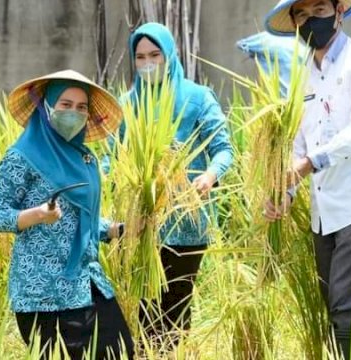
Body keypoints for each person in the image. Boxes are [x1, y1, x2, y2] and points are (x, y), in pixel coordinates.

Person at [263, 0, 351, 358]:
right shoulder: (302, 76)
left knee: (346, 301)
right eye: (302, 14)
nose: (311, 20)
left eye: (319, 9)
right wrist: (287, 190)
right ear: (294, 24)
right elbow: (299, 140)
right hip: (325, 206)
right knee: (335, 302)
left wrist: (307, 165)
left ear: (339, 11)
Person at [0, 70, 134, 360]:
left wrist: (117, 229)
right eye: (65, 104)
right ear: (47, 107)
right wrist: (38, 214)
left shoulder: (85, 159)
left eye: (82, 107)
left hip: (86, 279)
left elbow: (85, 221)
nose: (74, 113)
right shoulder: (20, 157)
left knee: (121, 350)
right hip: (44, 291)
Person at [109, 22, 233, 348]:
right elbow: (113, 157)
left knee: (176, 305)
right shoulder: (128, 103)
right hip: (141, 225)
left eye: (155, 55)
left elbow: (224, 150)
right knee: (146, 308)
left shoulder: (197, 98)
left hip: (186, 222)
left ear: (169, 55)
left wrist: (208, 176)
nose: (148, 63)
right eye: (140, 57)